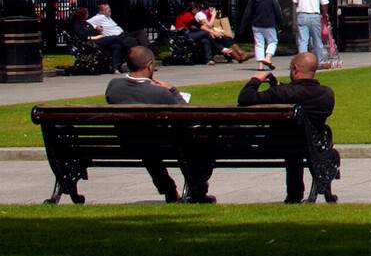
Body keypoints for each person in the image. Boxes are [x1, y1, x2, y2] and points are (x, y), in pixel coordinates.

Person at [103, 45, 213, 202]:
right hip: (163, 144)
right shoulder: (159, 92)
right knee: (190, 145)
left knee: (148, 149)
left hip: (127, 142)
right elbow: (187, 116)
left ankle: (168, 189)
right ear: (149, 65)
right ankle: (197, 191)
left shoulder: (113, 86)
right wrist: (173, 91)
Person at [238, 51, 340, 203]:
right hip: (310, 144)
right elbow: (301, 94)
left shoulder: (280, 93)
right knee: (296, 145)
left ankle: (294, 194)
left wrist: (256, 80)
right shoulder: (326, 94)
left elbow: (245, 98)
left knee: (291, 147)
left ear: (295, 69)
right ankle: (301, 193)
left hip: (274, 144)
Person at [289, 0, 330, 70]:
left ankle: (301, 63)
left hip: (302, 15)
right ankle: (320, 61)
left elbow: (295, 2)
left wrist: (300, 10)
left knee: (303, 40)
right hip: (314, 15)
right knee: (317, 40)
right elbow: (324, 4)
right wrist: (324, 13)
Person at [242, 0, 282, 65]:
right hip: (269, 25)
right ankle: (267, 58)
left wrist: (242, 27)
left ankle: (260, 65)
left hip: (256, 25)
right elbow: (278, 13)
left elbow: (247, 13)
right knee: (272, 42)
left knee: (259, 44)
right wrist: (280, 25)